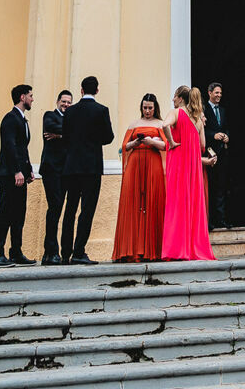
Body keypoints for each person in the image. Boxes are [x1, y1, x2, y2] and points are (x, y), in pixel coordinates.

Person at [59, 75, 115, 264]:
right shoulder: (101, 111)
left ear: (81, 90)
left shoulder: (70, 112)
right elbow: (108, 137)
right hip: (91, 167)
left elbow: (65, 138)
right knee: (87, 210)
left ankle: (65, 252)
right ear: (97, 90)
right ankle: (78, 251)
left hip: (72, 166)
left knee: (70, 209)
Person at [162, 84, 215, 260]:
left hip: (178, 165)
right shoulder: (198, 120)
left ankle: (176, 249)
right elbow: (202, 146)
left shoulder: (176, 113)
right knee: (193, 206)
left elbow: (164, 125)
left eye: (174, 96)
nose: (173, 99)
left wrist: (172, 142)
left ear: (180, 98)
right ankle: (194, 248)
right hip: (193, 169)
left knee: (177, 205)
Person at [112, 93, 167, 262]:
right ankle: (132, 249)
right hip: (135, 164)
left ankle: (154, 250)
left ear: (155, 108)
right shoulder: (134, 124)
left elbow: (166, 145)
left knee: (153, 202)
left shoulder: (161, 124)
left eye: (150, 108)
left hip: (153, 162)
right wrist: (135, 143)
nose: (147, 111)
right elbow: (124, 146)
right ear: (141, 107)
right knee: (133, 203)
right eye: (145, 108)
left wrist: (151, 142)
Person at [0, 83, 35, 266]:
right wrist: (17, 171)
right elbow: (9, 147)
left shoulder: (22, 119)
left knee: (19, 214)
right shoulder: (10, 119)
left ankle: (16, 252)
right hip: (9, 174)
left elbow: (22, 148)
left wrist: (28, 169)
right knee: (5, 213)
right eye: (30, 95)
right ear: (22, 97)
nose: (33, 99)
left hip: (20, 174)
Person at [39, 88, 72, 264]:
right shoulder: (49, 115)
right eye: (63, 101)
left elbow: (74, 134)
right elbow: (53, 127)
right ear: (57, 102)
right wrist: (66, 133)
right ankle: (52, 250)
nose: (66, 104)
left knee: (59, 209)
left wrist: (60, 135)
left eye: (68, 102)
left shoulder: (71, 120)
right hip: (51, 170)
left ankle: (49, 252)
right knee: (55, 207)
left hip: (65, 172)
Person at [203, 81, 231, 231]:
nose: (219, 95)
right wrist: (214, 135)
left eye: (220, 93)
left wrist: (227, 136)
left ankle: (221, 220)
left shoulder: (223, 110)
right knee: (210, 187)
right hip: (208, 154)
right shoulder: (203, 109)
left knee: (221, 187)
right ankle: (209, 220)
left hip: (222, 154)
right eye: (216, 93)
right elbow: (201, 131)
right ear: (210, 92)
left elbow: (226, 127)